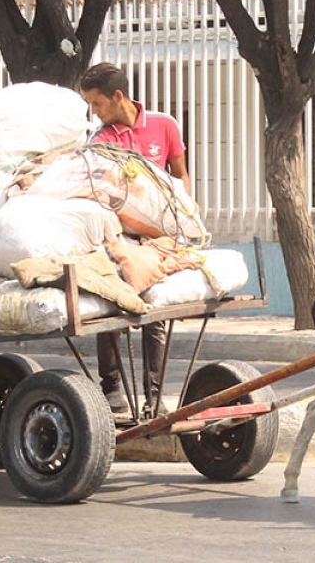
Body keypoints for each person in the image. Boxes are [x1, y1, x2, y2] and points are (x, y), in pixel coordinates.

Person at [79, 62, 188, 417]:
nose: (94, 112)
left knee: (155, 311)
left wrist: (183, 220)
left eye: (97, 104)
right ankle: (112, 389)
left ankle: (154, 397)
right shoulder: (102, 139)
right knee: (114, 303)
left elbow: (181, 175)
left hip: (160, 238)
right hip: (119, 237)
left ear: (118, 96)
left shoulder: (164, 125)